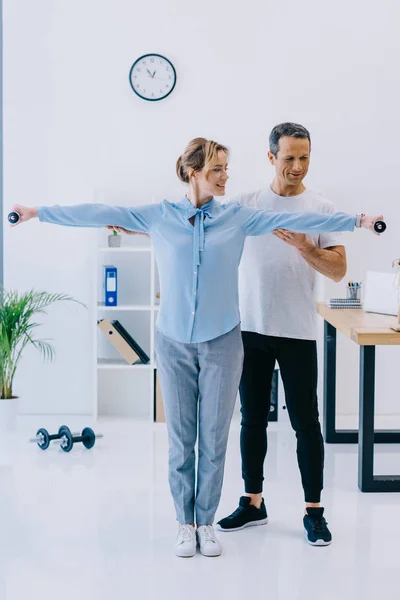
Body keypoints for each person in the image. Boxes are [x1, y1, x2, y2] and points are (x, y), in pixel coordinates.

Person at [11, 137, 382, 557]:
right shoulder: (159, 215)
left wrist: (359, 221)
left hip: (224, 340)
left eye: (226, 168)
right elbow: (101, 212)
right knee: (181, 439)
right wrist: (38, 213)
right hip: (172, 342)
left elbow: (292, 214)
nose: (226, 177)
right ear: (193, 173)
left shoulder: (238, 217)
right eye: (217, 170)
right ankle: (183, 524)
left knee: (214, 439)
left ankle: (206, 523)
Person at [216, 122, 351, 546]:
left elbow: (338, 269)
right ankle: (253, 502)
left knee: (306, 423)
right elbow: (198, 224)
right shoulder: (246, 204)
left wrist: (304, 246)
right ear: (271, 157)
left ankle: (314, 511)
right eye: (289, 157)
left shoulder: (321, 208)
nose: (298, 166)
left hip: (296, 330)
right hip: (251, 328)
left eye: (305, 157)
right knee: (252, 420)